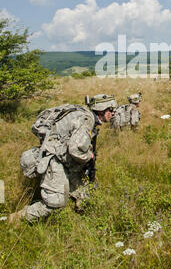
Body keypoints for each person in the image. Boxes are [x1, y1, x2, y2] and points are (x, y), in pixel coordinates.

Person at [8, 94, 117, 224]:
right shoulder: (86, 119)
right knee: (54, 204)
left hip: (65, 160)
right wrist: (89, 155)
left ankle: (82, 221)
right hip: (55, 161)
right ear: (101, 109)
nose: (113, 113)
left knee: (84, 193)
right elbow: (76, 150)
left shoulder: (81, 113)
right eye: (110, 110)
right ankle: (16, 219)